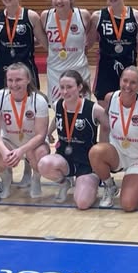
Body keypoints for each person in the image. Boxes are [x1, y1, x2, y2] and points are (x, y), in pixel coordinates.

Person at [88, 66, 138, 211]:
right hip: (118, 153)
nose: (128, 86)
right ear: (120, 81)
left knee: (128, 204)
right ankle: (110, 186)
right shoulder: (110, 98)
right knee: (96, 152)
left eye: (133, 82)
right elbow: (105, 126)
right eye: (125, 81)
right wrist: (101, 156)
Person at [38, 69, 108, 209]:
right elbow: (57, 118)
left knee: (82, 203)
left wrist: (103, 151)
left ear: (79, 87)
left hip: (87, 162)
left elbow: (109, 126)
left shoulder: (93, 109)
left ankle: (91, 181)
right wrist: (49, 132)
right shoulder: (58, 104)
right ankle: (65, 183)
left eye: (69, 87)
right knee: (44, 164)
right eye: (62, 87)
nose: (65, 91)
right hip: (65, 158)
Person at [0, 62, 50, 203]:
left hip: (33, 144)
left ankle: (36, 179)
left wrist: (21, 151)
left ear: (28, 79)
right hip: (9, 142)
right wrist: (4, 151)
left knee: (41, 153)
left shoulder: (39, 100)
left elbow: (41, 135)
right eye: (10, 80)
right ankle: (6, 179)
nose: (14, 84)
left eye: (18, 80)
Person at [0, 0, 47, 94]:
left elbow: (44, 42)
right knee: (3, 102)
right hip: (2, 70)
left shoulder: (31, 16)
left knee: (30, 102)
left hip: (27, 69)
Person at [90, 0, 138, 108]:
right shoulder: (97, 16)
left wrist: (128, 50)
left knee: (129, 108)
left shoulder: (137, 16)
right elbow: (90, 41)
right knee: (105, 108)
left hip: (128, 68)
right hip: (105, 70)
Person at [42, 0, 92, 104]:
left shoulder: (83, 15)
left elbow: (89, 40)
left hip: (79, 70)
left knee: (82, 107)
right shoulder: (45, 16)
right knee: (59, 107)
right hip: (55, 71)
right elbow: (44, 42)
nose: (59, 1)